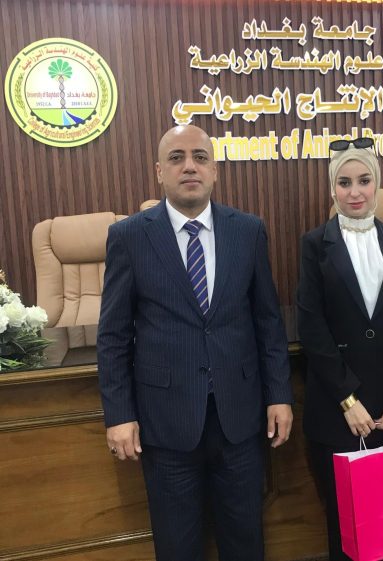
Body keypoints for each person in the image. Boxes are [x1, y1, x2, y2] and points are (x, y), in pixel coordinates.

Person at [97, 125, 293, 561]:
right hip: (165, 422)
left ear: (215, 170)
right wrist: (120, 413)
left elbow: (267, 320)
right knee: (177, 547)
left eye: (200, 157)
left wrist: (279, 394)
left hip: (240, 417)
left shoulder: (248, 230)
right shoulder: (129, 236)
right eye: (177, 158)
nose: (190, 167)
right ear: (159, 171)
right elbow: (112, 336)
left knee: (245, 542)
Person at [297, 138, 383, 561]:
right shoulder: (315, 244)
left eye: (364, 181)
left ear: (377, 184)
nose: (355, 192)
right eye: (344, 182)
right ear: (332, 188)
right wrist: (347, 399)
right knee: (348, 534)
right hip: (339, 412)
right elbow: (311, 328)